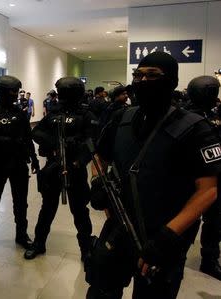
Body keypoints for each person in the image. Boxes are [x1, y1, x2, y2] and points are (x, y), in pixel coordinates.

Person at [86, 52, 221, 299]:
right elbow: (99, 157)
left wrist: (168, 235)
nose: (142, 80)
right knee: (100, 291)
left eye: (152, 75)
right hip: (119, 227)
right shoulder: (122, 118)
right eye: (138, 74)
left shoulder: (195, 129)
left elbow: (210, 188)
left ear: (171, 80)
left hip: (163, 236)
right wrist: (97, 181)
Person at [25, 76, 98, 260]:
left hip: (75, 167)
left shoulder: (85, 115)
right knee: (47, 208)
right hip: (53, 166)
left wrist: (77, 160)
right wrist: (54, 144)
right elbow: (37, 132)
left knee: (80, 210)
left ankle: (85, 248)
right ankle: (39, 243)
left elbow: (91, 143)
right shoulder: (54, 113)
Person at [0, 75, 40, 251]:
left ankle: (21, 234)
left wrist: (34, 159)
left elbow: (28, 138)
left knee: (21, 203)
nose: (16, 95)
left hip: (19, 163)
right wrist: (7, 141)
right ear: (2, 93)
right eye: (13, 92)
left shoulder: (19, 113)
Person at [186, 75, 221, 280]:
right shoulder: (185, 116)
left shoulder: (214, 114)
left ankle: (209, 259)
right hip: (191, 177)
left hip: (214, 174)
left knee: (215, 221)